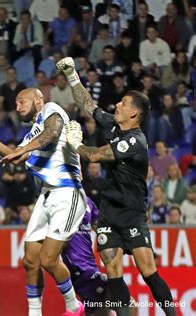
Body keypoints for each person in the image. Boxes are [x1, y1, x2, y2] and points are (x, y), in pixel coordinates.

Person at [56, 56, 175, 315]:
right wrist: (72, 76)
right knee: (113, 271)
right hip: (109, 212)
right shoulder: (114, 125)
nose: (117, 105)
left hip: (132, 212)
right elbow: (89, 105)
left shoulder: (136, 141)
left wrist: (76, 144)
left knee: (147, 271)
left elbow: (96, 155)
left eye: (123, 103)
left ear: (134, 113)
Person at [0, 87, 86, 316]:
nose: (17, 107)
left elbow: (52, 133)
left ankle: (73, 306)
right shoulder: (32, 134)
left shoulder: (51, 110)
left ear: (38, 100)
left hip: (68, 193)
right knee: (30, 260)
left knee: (48, 259)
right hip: (47, 195)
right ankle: (34, 313)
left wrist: (25, 149)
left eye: (21, 102)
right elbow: (14, 155)